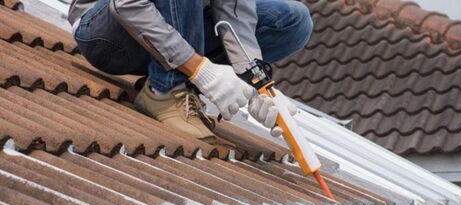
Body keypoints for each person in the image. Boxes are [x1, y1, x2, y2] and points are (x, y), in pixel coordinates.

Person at [69, 0, 313, 144]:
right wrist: (200, 69)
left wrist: (257, 83)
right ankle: (165, 90)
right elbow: (127, 5)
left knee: (294, 20)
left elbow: (235, 12)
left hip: (164, 38)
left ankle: (181, 77)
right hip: (106, 35)